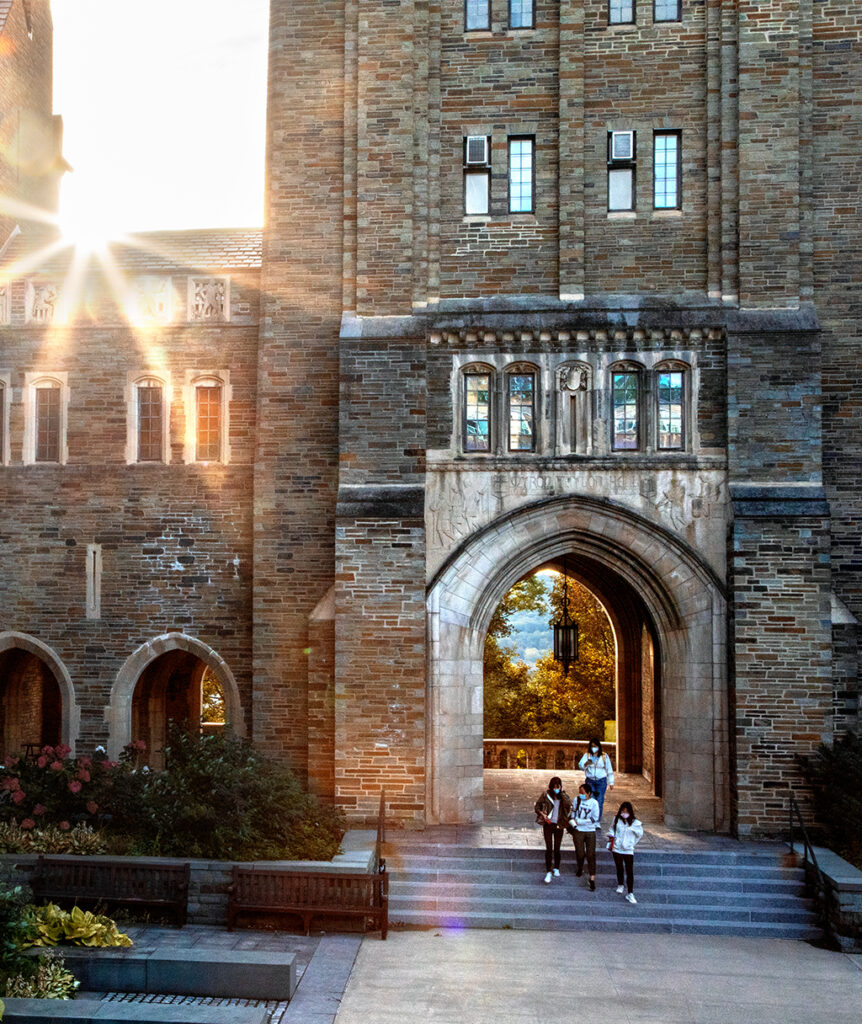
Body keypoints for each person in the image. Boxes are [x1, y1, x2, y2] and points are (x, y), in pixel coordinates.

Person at [534, 775, 573, 884]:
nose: (556, 789)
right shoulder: (545, 795)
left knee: (557, 847)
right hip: (548, 824)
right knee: (549, 848)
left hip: (559, 824)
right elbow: (537, 807)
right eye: (554, 787)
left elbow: (569, 806)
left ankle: (556, 867)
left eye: (558, 786)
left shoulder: (563, 796)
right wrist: (543, 814)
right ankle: (548, 870)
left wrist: (561, 795)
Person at [607, 800, 644, 904]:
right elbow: (612, 829)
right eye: (623, 811)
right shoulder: (616, 819)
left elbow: (639, 834)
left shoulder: (636, 823)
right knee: (619, 866)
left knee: (629, 870)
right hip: (617, 848)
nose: (624, 813)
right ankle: (620, 884)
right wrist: (612, 837)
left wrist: (631, 843)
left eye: (626, 811)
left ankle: (630, 892)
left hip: (628, 849)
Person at [568, 780, 600, 891]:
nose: (581, 794)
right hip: (578, 831)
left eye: (583, 792)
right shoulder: (576, 800)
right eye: (579, 792)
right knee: (580, 852)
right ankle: (580, 867)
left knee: (591, 854)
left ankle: (592, 877)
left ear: (588, 793)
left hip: (590, 831)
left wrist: (580, 821)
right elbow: (572, 814)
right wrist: (574, 824)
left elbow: (594, 819)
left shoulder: (594, 803)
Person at [578, 738, 614, 823]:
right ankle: (591, 819)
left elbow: (609, 769)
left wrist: (611, 782)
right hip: (590, 781)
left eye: (595, 746)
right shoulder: (587, 755)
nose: (594, 748)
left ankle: (597, 820)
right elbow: (581, 766)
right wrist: (587, 763)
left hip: (601, 781)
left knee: (599, 800)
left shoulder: (604, 756)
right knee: (591, 800)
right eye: (592, 746)